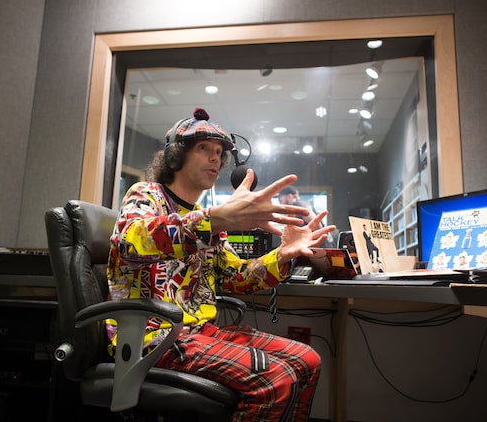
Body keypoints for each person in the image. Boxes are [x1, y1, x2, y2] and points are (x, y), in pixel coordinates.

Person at [106, 107, 336, 422]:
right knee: (276, 378)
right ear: (175, 156)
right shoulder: (146, 195)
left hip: (201, 332)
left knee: (307, 360)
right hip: (154, 337)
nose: (215, 158)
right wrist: (214, 221)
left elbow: (237, 278)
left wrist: (284, 255)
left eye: (219, 152)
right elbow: (130, 241)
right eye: (204, 148)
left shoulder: (209, 219)